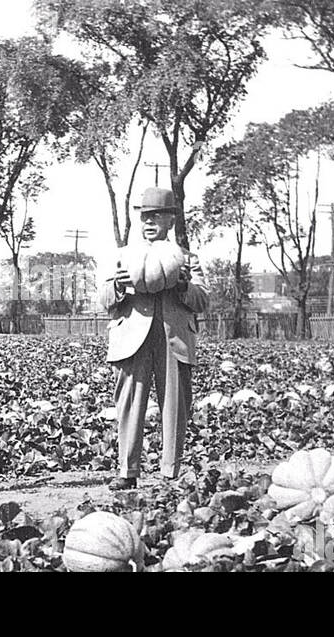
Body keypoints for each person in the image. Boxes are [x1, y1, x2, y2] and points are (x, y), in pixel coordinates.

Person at [98, 187, 208, 490]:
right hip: (132, 336)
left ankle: (170, 472)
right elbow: (103, 299)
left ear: (170, 220)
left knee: (175, 406)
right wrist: (118, 287)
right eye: (145, 216)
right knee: (129, 403)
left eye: (157, 215)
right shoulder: (123, 257)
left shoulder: (186, 259)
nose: (149, 221)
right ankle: (127, 471)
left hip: (173, 337)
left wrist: (185, 285)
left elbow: (202, 300)